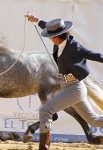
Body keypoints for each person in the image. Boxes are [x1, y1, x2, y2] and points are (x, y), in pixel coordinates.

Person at [25, 12, 103, 150]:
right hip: (70, 88)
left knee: (45, 110)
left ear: (56, 37)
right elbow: (46, 25)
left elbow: (94, 55)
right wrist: (35, 20)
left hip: (75, 89)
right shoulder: (58, 41)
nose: (49, 39)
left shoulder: (74, 47)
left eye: (50, 37)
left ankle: (44, 148)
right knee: (94, 120)